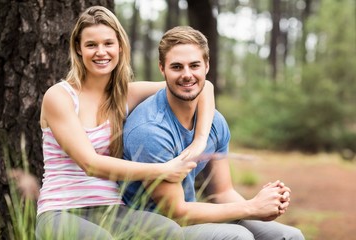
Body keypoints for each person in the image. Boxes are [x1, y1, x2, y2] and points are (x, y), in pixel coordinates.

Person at [35, 7, 216, 240]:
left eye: (108, 43)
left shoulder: (125, 96)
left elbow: (204, 87)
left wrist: (199, 142)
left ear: (120, 47)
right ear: (78, 49)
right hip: (60, 211)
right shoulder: (59, 96)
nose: (101, 52)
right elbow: (90, 163)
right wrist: (163, 170)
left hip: (111, 210)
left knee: (169, 232)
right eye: (91, 45)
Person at [122, 26, 305, 240]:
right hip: (154, 226)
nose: (187, 75)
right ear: (162, 69)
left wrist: (265, 205)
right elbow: (177, 212)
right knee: (238, 237)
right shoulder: (150, 129)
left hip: (192, 214)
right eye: (177, 67)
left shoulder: (214, 122)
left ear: (206, 66)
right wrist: (252, 207)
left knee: (289, 236)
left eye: (194, 65)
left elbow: (221, 193)